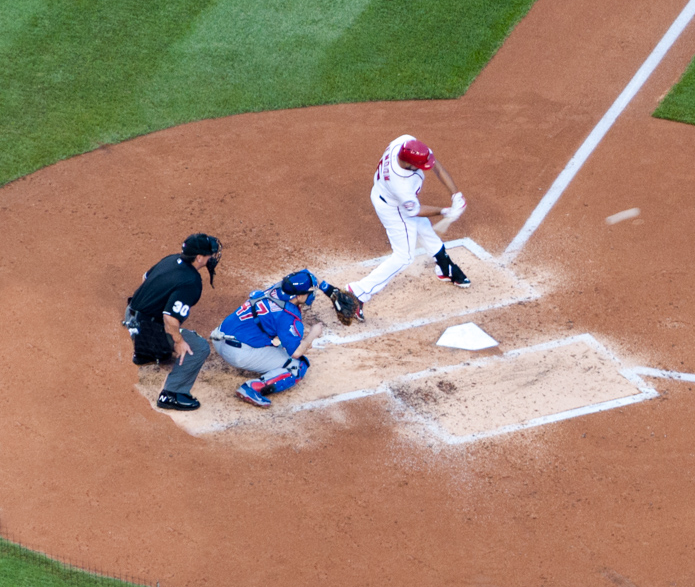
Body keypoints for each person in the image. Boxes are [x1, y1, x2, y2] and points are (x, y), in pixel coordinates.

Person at [345, 135, 470, 322]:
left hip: (387, 195)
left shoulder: (404, 143)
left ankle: (445, 268)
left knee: (425, 229)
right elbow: (415, 211)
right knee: (404, 257)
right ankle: (358, 292)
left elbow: (436, 165)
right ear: (409, 164)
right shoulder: (400, 183)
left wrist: (455, 194)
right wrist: (445, 211)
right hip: (393, 208)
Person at [124, 233, 222, 411]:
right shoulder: (191, 281)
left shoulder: (172, 259)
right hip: (146, 329)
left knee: (164, 321)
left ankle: (146, 353)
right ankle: (172, 394)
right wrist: (179, 341)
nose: (212, 257)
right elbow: (170, 318)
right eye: (209, 254)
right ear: (199, 258)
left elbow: (145, 278)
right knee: (198, 347)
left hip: (131, 316)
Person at [210, 270, 328, 408]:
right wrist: (313, 334)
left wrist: (331, 292)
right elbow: (296, 352)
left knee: (274, 340)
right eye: (310, 291)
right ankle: (252, 388)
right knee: (297, 365)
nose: (312, 294)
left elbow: (305, 273)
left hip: (218, 337)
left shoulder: (277, 288)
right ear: (299, 295)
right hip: (236, 354)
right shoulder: (287, 316)